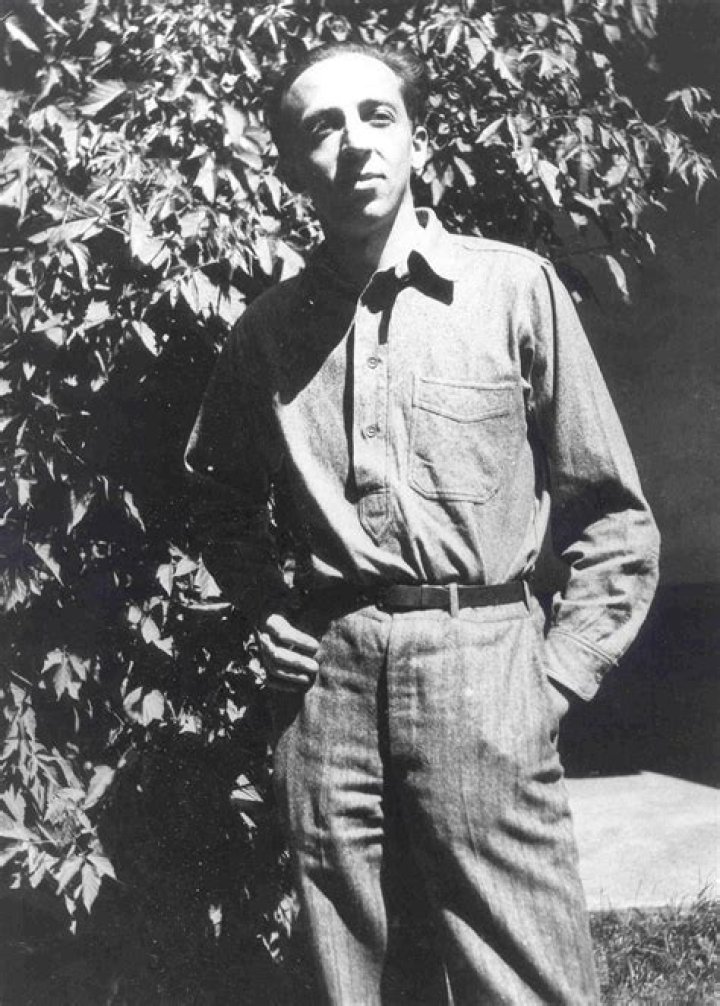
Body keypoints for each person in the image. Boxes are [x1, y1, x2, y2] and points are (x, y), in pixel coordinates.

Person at [185, 41, 659, 1005]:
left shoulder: (513, 289)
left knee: (525, 977)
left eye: (377, 116)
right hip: (327, 686)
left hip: (484, 665)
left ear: (416, 140)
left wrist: (555, 676)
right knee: (352, 978)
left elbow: (612, 514)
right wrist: (263, 606)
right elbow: (215, 497)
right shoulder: (267, 331)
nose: (355, 143)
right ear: (292, 166)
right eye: (323, 127)